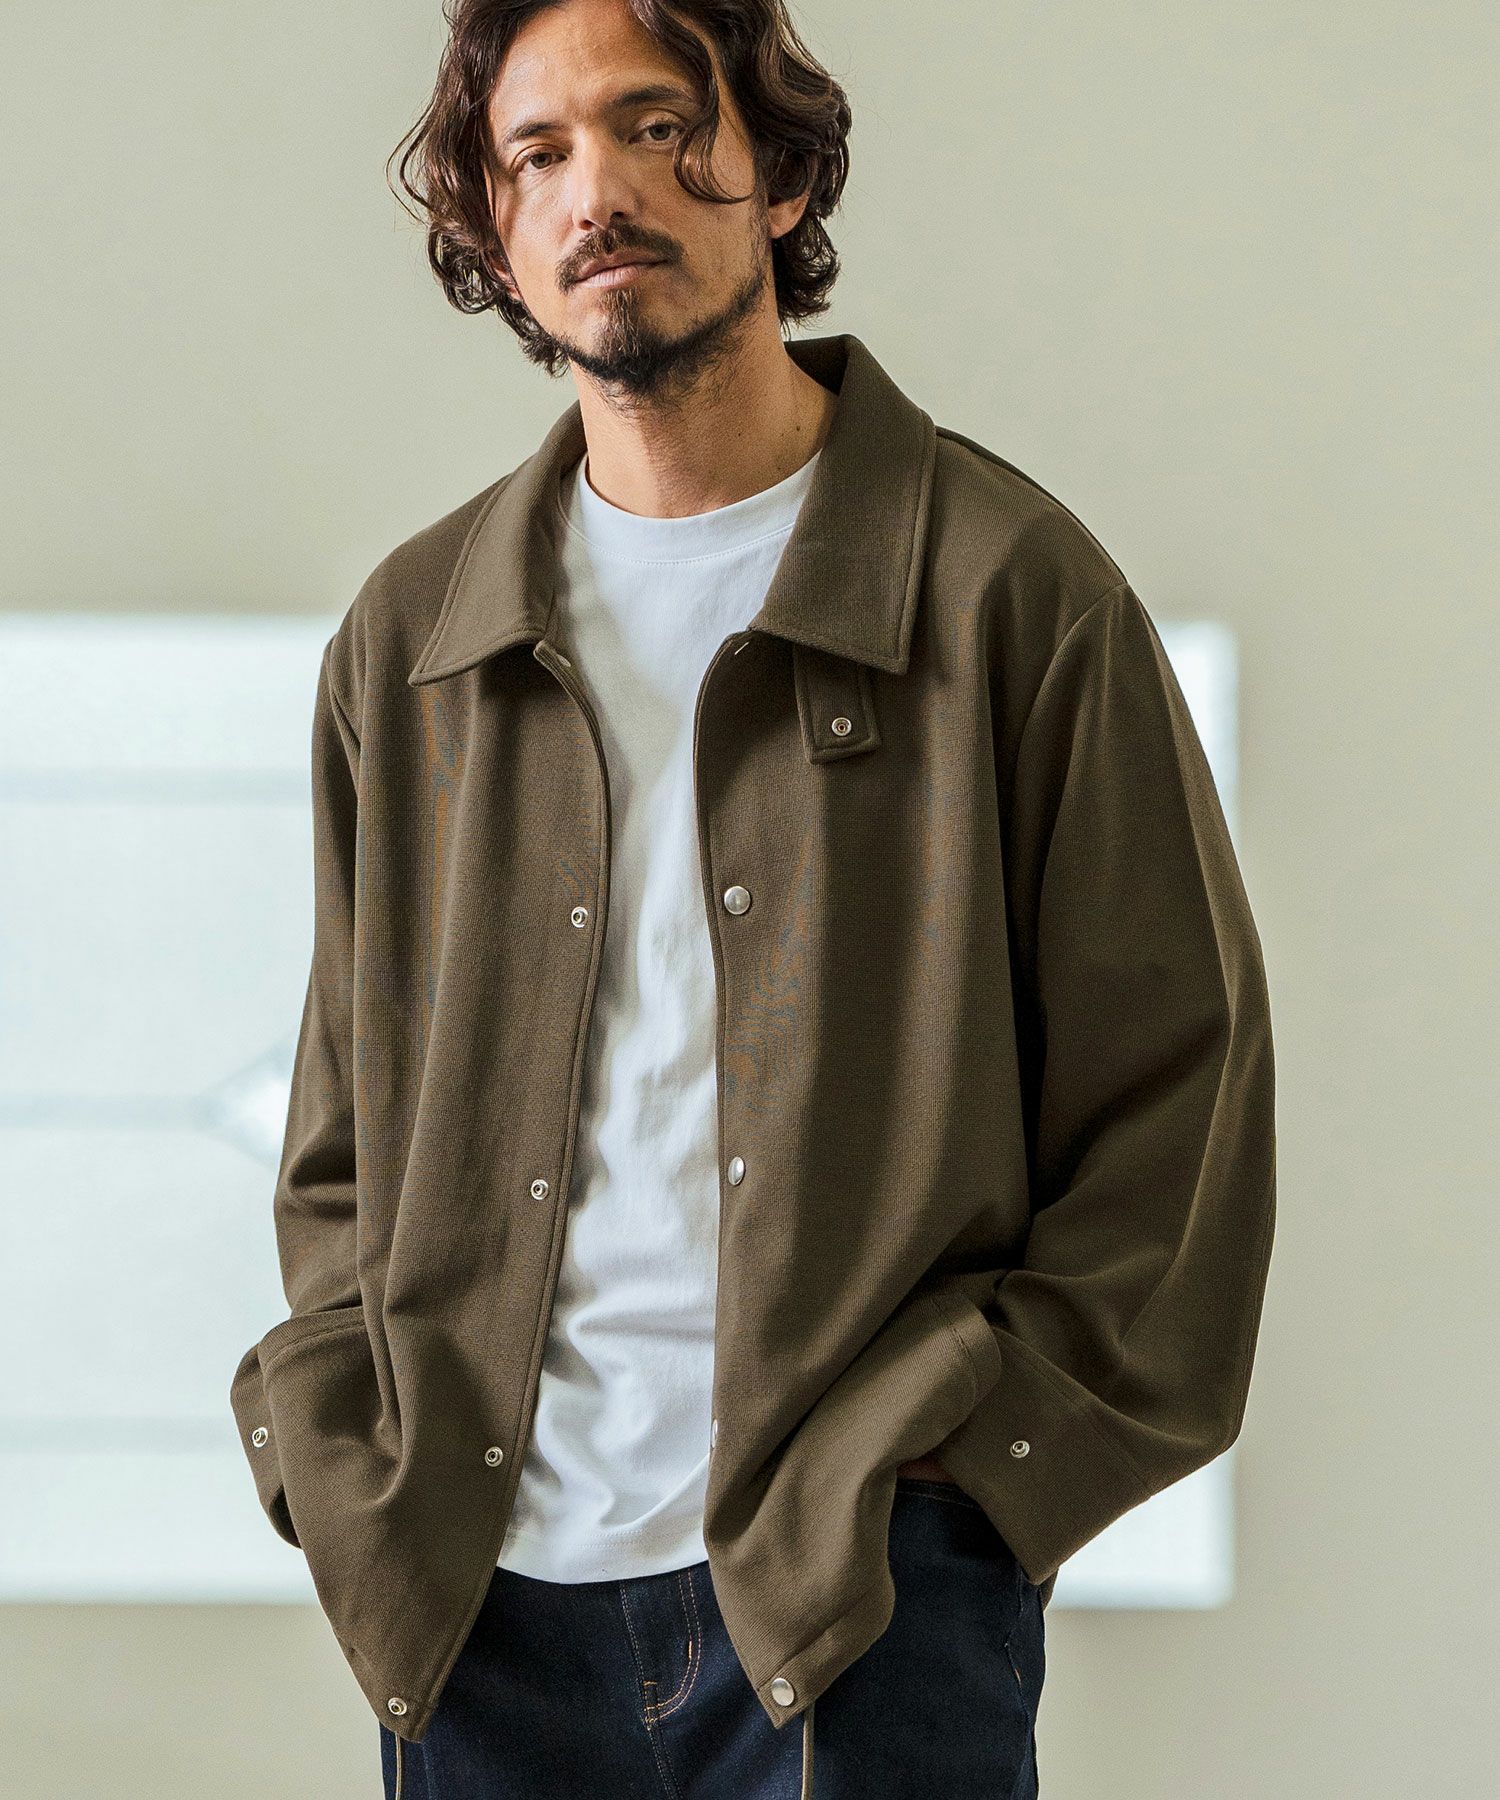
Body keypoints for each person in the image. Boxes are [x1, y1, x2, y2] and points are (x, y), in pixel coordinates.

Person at [230, 1, 1277, 1794]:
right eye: (537, 155)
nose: (597, 194)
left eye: (658, 126)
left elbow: (1179, 1096)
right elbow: (345, 1143)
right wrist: (348, 1450)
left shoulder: (1009, 592)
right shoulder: (413, 645)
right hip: (476, 1626)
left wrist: (966, 1487)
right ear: (496, 232)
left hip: (853, 1610)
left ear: (780, 173)